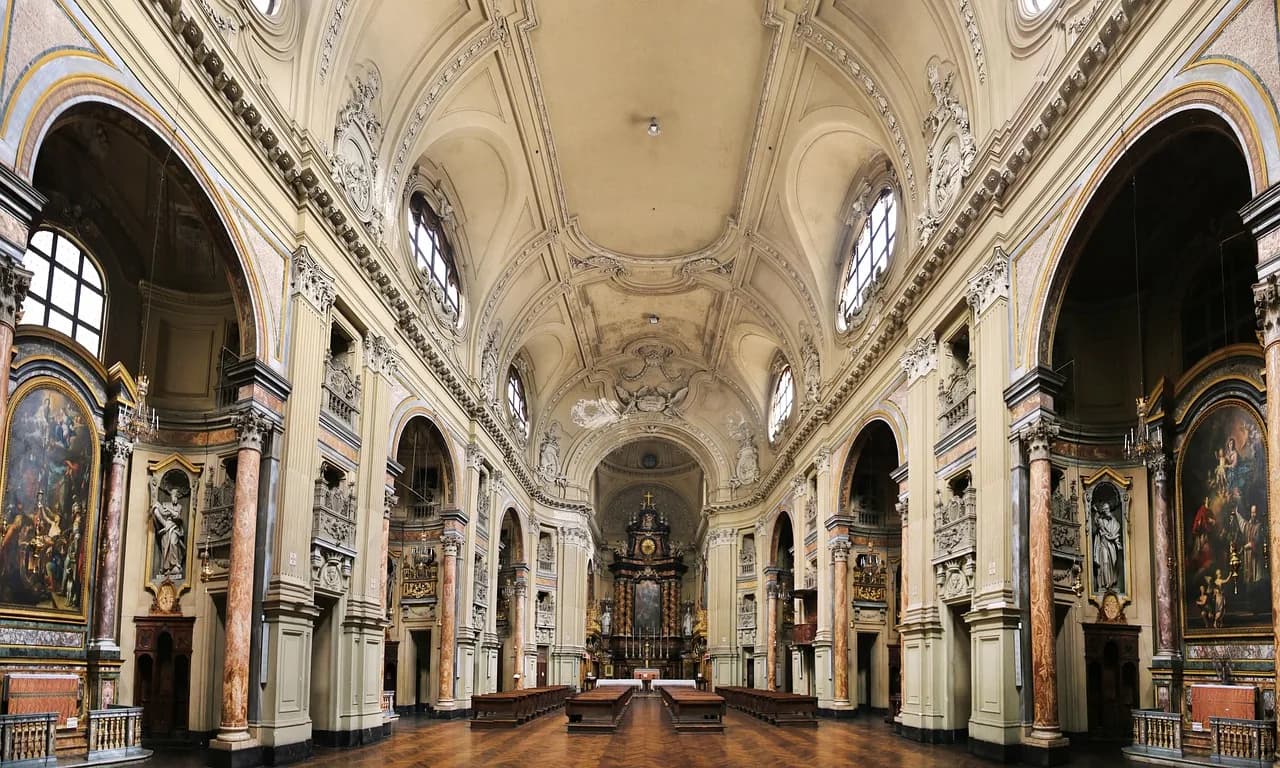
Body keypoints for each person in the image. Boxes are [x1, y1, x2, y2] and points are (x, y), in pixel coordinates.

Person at [1092, 501, 1122, 591]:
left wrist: (1114, 539)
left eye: (1107, 508)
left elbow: (1116, 532)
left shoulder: (1114, 522)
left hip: (1111, 545)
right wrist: (1096, 511)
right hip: (1103, 544)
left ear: (1109, 509)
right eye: (1104, 509)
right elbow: (1097, 521)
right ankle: (1106, 583)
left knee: (1113, 563)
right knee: (1104, 562)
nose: (1106, 510)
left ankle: (1112, 582)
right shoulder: (1101, 520)